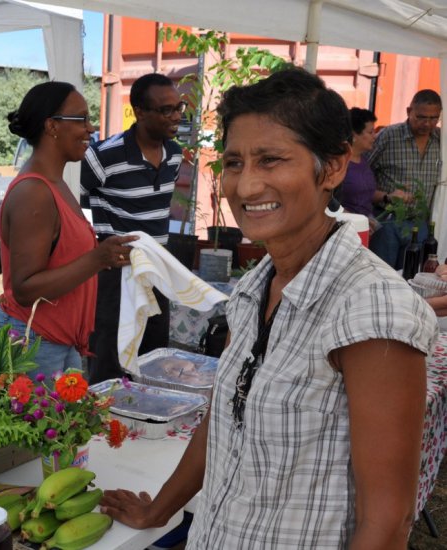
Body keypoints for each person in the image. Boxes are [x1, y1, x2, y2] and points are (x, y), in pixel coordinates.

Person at [100, 68, 437, 548]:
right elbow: (224, 418)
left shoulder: (373, 309)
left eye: (271, 160)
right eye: (234, 163)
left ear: (333, 167)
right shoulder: (256, 287)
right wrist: (158, 510)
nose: (245, 186)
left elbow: (386, 523)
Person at [0, 81, 136, 378]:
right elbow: (25, 289)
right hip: (31, 342)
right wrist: (97, 259)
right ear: (52, 126)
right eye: (81, 119)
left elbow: (62, 257)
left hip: (53, 341)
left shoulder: (55, 183)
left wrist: (104, 256)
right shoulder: (35, 192)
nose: (90, 128)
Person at [80, 73, 184, 384]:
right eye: (166, 110)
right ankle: (104, 412)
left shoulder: (174, 154)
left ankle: (147, 410)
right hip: (115, 273)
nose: (176, 116)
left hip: (156, 266)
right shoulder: (102, 156)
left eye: (179, 107)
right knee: (109, 356)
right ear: (139, 112)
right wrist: (95, 247)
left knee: (154, 355)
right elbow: (70, 201)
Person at [368, 89, 442, 269]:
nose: (427, 123)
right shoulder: (389, 136)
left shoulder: (442, 140)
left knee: (412, 276)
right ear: (409, 111)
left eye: (433, 118)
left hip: (420, 224)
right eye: (421, 117)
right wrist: (385, 196)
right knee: (381, 273)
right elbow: (359, 176)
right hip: (387, 221)